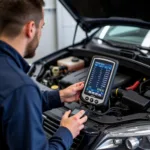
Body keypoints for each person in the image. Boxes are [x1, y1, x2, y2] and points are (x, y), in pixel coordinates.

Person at [0, 0, 88, 150]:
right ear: (31, 28)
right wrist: (66, 132)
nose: (41, 33)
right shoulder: (21, 88)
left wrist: (59, 96)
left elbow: (9, 104)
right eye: (42, 26)